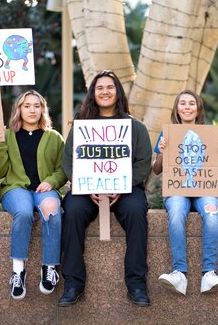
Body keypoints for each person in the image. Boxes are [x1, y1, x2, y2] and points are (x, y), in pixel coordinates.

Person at [59, 70, 153, 307]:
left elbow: (143, 163)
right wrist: (86, 184)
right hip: (87, 189)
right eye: (99, 88)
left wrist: (121, 185)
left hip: (126, 189)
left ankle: (136, 283)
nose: (105, 92)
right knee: (72, 210)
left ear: (117, 92)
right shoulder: (81, 126)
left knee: (136, 211)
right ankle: (73, 283)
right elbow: (69, 160)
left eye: (109, 87)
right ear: (93, 93)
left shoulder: (136, 127)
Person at [0, 90, 67, 300]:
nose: (32, 110)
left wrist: (51, 182)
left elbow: (63, 169)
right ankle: (18, 271)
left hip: (43, 189)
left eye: (37, 106)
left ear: (43, 109)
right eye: (27, 106)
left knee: (52, 209)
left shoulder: (54, 137)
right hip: (15, 188)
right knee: (24, 212)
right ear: (19, 110)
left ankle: (49, 268)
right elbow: (0, 170)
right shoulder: (6, 135)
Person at [153, 90, 218, 295]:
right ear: (177, 109)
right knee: (176, 213)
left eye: (191, 103)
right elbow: (157, 169)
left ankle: (209, 274)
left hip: (204, 190)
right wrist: (161, 151)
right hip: (177, 190)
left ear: (198, 108)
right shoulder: (167, 133)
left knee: (212, 213)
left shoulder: (208, 133)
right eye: (183, 103)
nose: (187, 107)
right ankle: (179, 273)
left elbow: (217, 170)